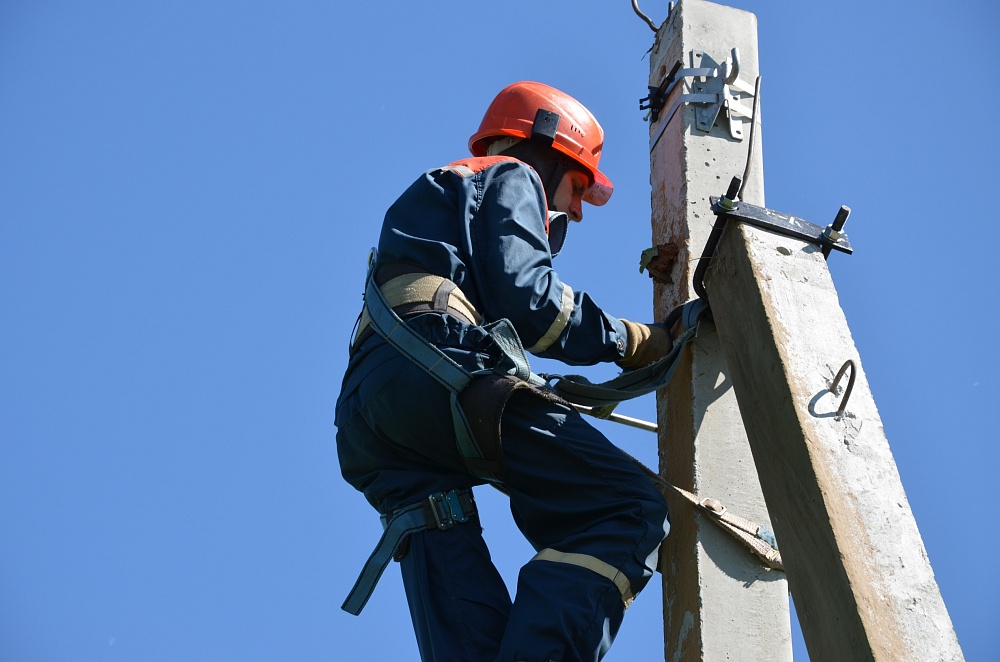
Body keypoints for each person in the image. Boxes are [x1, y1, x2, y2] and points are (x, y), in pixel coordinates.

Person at [335, 81, 675, 661]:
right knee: (626, 507)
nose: (573, 211)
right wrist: (633, 341)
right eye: (577, 187)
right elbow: (535, 306)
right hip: (434, 367)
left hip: (374, 414)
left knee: (441, 543)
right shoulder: (510, 175)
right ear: (550, 152)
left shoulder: (439, 203)